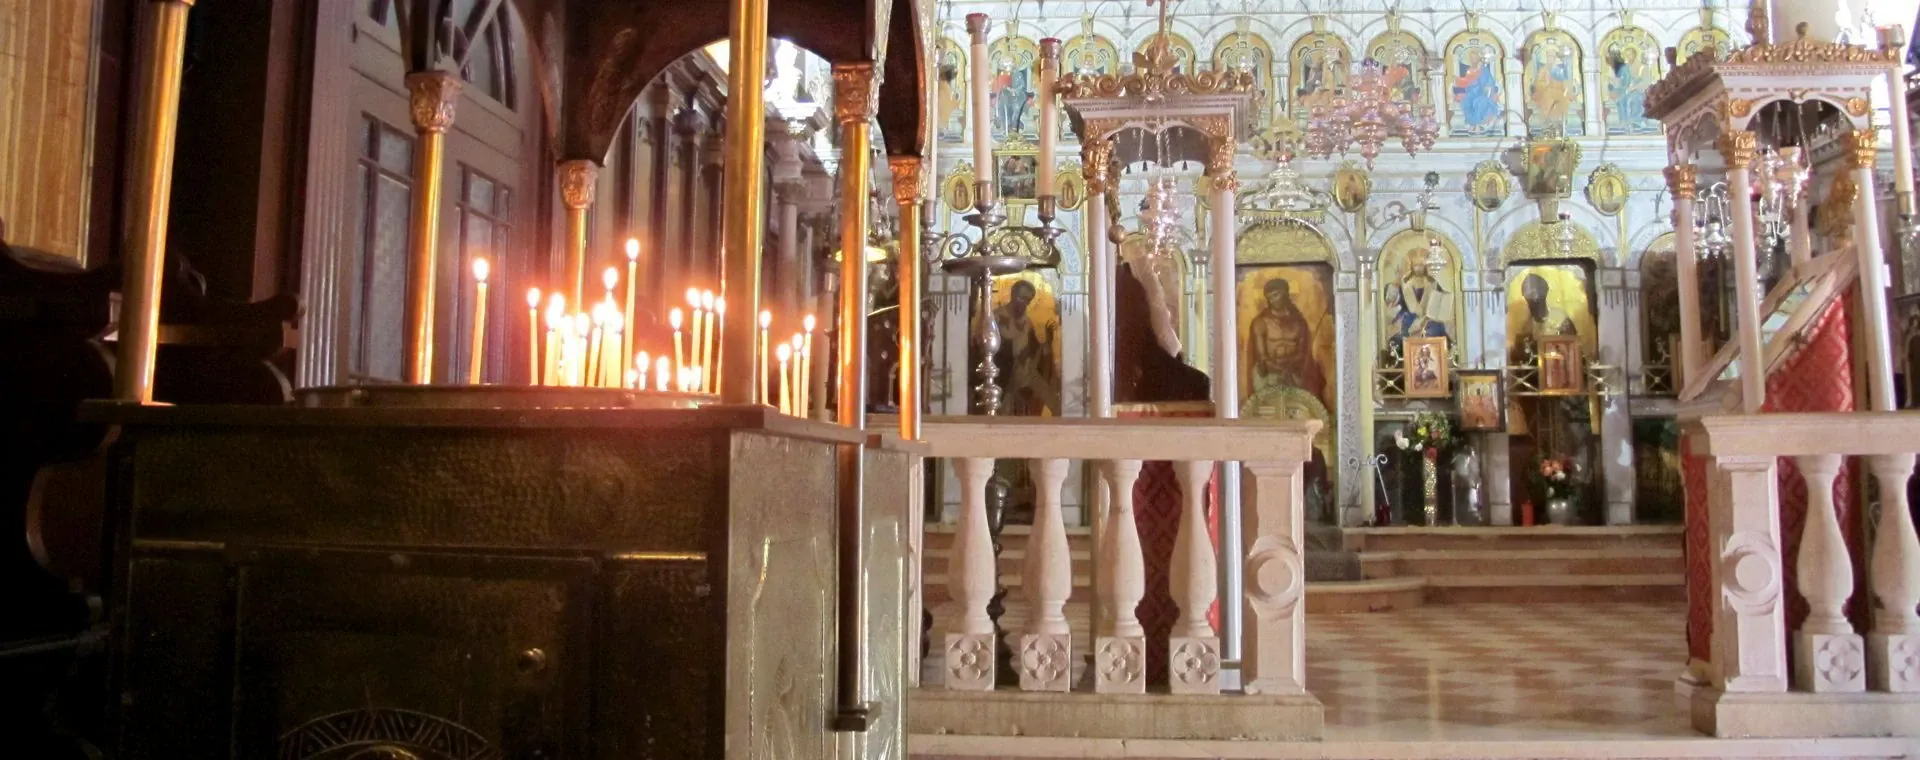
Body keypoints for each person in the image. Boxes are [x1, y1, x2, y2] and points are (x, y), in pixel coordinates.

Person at [1249, 278, 1326, 398]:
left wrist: (1290, 369)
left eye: (1276, 295)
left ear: (1285, 294)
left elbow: (1302, 353)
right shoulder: (1260, 323)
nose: (1272, 300)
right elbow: (1262, 358)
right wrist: (1280, 371)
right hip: (1268, 375)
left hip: (1294, 372)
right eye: (1270, 297)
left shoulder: (1299, 322)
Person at [992, 280, 1059, 416]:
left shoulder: (1027, 322)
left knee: (1054, 401)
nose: (1023, 303)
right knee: (1004, 410)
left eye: (1027, 300)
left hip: (1027, 371)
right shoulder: (996, 317)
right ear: (1012, 294)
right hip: (1005, 373)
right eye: (1021, 298)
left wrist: (1048, 341)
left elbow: (1035, 348)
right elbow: (988, 348)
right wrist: (1013, 355)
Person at [1452, 44, 1502, 134]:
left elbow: (1489, 84)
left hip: (1483, 94)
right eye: (1471, 58)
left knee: (1479, 102)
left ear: (1478, 58)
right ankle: (1472, 123)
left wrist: (1486, 91)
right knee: (1466, 101)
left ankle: (1477, 124)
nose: (1473, 60)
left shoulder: (1484, 70)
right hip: (1471, 93)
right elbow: (1466, 83)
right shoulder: (1469, 70)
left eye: (1475, 58)